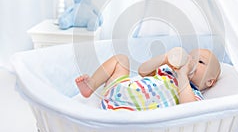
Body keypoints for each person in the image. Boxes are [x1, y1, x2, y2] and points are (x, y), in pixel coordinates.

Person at [75, 47, 221, 111]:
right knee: (121, 59)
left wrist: (183, 75)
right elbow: (142, 71)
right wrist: (165, 58)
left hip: (131, 108)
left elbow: (189, 108)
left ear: (210, 81)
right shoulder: (168, 72)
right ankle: (92, 84)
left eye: (200, 62)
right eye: (191, 58)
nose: (192, 63)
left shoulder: (194, 95)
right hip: (122, 88)